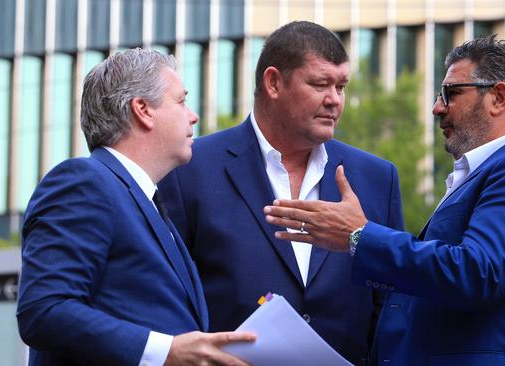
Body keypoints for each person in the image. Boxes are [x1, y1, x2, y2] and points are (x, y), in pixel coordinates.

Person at [264, 35, 505, 365]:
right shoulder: (488, 175)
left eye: (451, 93)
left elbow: (477, 273)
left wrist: (360, 236)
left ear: (498, 97)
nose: (438, 107)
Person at [158, 21, 404, 365]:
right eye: (320, 84)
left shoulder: (377, 178)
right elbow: (165, 297)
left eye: (341, 86)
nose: (334, 100)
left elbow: (393, 304)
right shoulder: (190, 170)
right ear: (273, 82)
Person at [16, 49, 255, 366]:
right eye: (181, 101)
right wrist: (166, 352)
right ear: (143, 110)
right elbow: (43, 309)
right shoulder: (85, 183)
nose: (193, 115)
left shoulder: (150, 203)